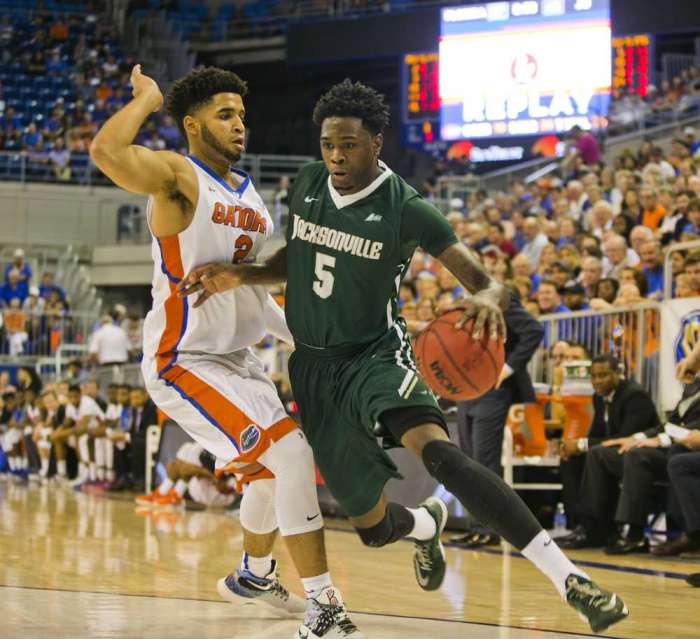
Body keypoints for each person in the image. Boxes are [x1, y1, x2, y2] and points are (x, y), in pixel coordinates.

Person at [180, 78, 628, 634]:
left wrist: (487, 298)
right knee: (369, 526)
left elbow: (485, 283)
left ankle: (570, 580)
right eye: (327, 145)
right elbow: (297, 259)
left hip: (376, 354)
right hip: (315, 370)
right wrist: (242, 275)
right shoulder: (311, 185)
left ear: (377, 143)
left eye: (348, 144)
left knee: (439, 454)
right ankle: (423, 524)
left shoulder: (407, 208)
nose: (337, 156)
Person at [89, 64, 359, 638]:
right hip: (184, 359)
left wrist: (319, 341)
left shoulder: (253, 200)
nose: (241, 125)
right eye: (225, 114)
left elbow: (260, 298)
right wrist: (147, 101)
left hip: (240, 359)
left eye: (242, 114)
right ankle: (325, 604)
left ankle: (255, 575)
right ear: (192, 125)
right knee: (290, 456)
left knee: (266, 475)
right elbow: (108, 151)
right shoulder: (178, 177)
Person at [452, 294, 544, 547]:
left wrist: (508, 367)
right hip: (467, 386)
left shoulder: (499, 298)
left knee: (484, 461)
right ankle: (476, 526)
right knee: (466, 462)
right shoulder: (461, 301)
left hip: (493, 389)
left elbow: (534, 330)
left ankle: (491, 529)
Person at [558, 355, 659, 539]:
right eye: (594, 376)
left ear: (618, 373)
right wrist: (574, 446)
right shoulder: (598, 397)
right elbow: (597, 434)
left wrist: (581, 444)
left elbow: (623, 438)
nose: (597, 381)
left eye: (603, 375)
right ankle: (579, 524)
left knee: (595, 454)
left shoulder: (635, 395)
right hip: (613, 453)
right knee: (570, 458)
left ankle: (596, 528)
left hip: (638, 454)